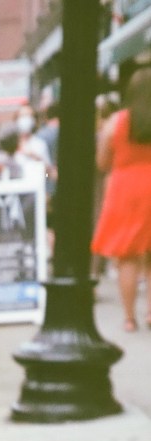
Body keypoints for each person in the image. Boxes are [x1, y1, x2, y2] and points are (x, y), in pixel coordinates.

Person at [91, 68, 151, 332]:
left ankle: (129, 318)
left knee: (127, 256)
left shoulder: (116, 122)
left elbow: (102, 162)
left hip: (125, 190)